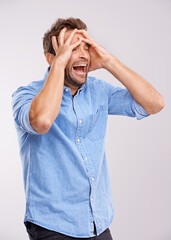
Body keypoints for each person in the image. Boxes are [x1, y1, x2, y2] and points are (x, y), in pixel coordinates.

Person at [11, 17, 164, 240]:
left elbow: (154, 103)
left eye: (86, 47)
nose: (83, 54)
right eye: (72, 48)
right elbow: (42, 121)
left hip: (98, 223)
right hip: (53, 227)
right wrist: (61, 62)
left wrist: (109, 61)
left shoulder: (99, 91)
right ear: (51, 58)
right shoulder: (26, 95)